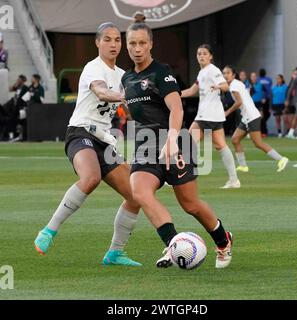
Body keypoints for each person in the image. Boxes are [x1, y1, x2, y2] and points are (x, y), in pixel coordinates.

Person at [122, 14, 233, 269]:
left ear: (150, 44)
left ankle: (223, 240)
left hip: (175, 141)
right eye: (132, 44)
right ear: (127, 45)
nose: (137, 49)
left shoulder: (162, 73)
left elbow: (177, 109)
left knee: (190, 204)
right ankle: (175, 246)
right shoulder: (126, 79)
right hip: (146, 145)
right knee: (139, 191)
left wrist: (172, 138)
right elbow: (138, 115)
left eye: (142, 43)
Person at [34, 22, 142, 267]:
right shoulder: (93, 68)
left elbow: (134, 109)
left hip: (104, 139)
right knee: (91, 177)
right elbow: (102, 92)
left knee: (136, 195)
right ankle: (49, 231)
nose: (113, 44)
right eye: (107, 39)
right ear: (97, 42)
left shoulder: (124, 76)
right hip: (80, 132)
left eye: (117, 40)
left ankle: (115, 253)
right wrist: (128, 96)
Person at [181, 44, 240, 189]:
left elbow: (225, 85)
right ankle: (234, 180)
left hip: (207, 115)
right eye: (199, 53)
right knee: (221, 146)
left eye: (204, 53)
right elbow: (191, 91)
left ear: (210, 56)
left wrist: (218, 86)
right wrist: (173, 94)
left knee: (186, 143)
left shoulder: (212, 70)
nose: (201, 56)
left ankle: (182, 177)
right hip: (213, 115)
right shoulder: (202, 73)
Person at [223, 65, 289, 173]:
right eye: (224, 73)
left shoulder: (234, 86)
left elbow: (239, 102)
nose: (225, 75)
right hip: (247, 117)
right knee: (235, 140)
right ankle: (243, 166)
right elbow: (226, 87)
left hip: (251, 116)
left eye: (228, 73)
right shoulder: (237, 83)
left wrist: (227, 112)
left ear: (233, 75)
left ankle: (281, 159)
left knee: (258, 143)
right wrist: (217, 86)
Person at [284, 68, 297, 134]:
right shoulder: (290, 84)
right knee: (289, 118)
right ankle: (291, 132)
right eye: (294, 74)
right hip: (290, 103)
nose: (295, 75)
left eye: (296, 74)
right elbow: (288, 93)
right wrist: (286, 101)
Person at [258, 68, 272, 136]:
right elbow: (269, 87)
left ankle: (263, 129)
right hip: (268, 99)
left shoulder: (258, 80)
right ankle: (264, 130)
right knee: (265, 114)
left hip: (261, 99)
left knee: (262, 116)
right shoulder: (269, 79)